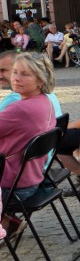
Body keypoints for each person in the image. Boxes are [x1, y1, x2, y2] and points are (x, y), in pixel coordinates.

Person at [0, 54, 57, 235]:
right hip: (31, 178)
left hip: (12, 186)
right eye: (15, 72)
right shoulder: (45, 101)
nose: (16, 78)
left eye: (25, 74)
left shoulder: (20, 108)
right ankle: (8, 221)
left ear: (40, 80)